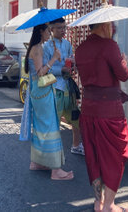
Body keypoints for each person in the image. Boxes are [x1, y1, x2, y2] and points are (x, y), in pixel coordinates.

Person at [75, 21, 128, 212]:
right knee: (116, 155)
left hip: (89, 108)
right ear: (105, 25)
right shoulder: (109, 45)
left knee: (94, 155)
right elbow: (123, 75)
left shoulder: (80, 48)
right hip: (109, 111)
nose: (113, 28)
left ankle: (99, 202)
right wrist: (124, 61)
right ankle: (109, 205)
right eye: (112, 25)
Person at [23, 23, 73, 180]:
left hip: (37, 92)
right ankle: (56, 170)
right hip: (42, 92)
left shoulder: (37, 47)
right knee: (51, 127)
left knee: (41, 127)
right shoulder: (38, 48)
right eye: (47, 30)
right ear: (41, 31)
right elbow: (40, 73)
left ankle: (37, 162)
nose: (49, 33)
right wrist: (53, 59)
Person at [43, 17, 84, 155]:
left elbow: (71, 59)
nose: (63, 30)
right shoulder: (47, 46)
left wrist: (73, 63)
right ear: (51, 29)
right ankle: (49, 152)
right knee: (53, 122)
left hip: (68, 86)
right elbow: (44, 70)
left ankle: (76, 145)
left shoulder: (67, 44)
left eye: (64, 27)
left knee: (76, 118)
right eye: (59, 28)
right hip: (55, 88)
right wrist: (60, 70)